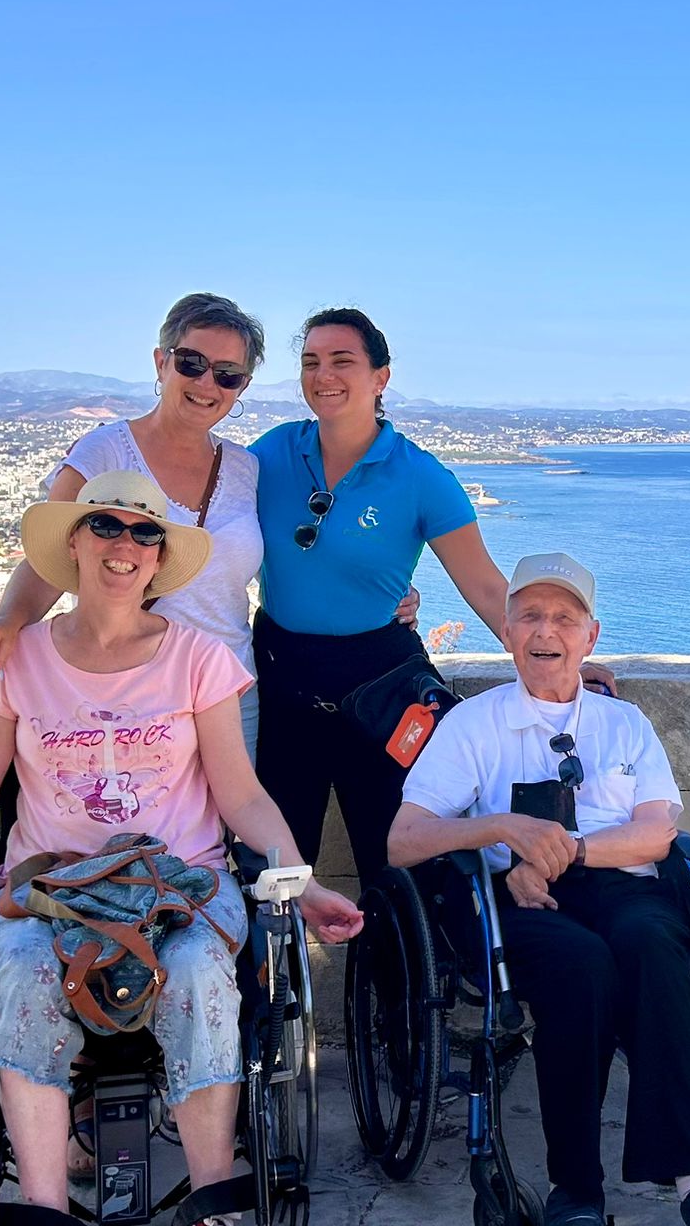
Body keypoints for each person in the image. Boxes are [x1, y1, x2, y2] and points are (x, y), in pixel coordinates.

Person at [0, 471, 363, 1226]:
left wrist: (303, 887)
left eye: (144, 534)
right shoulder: (18, 662)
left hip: (177, 886)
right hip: (52, 893)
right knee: (23, 979)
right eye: (106, 527)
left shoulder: (199, 661)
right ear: (73, 544)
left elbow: (241, 796)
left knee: (195, 973)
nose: (125, 547)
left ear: (159, 558)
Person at [385, 551, 690, 1226]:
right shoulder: (473, 725)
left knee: (654, 948)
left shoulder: (624, 725)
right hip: (514, 897)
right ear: (507, 631)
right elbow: (405, 840)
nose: (546, 631)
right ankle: (577, 1190)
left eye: (564, 618)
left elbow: (656, 833)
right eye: (530, 616)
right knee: (578, 966)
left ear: (590, 637)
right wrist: (504, 831)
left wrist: (566, 850)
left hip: (615, 881)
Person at [0, 291, 418, 758]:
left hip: (229, 693)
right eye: (192, 363)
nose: (207, 383)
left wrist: (380, 592)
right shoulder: (104, 454)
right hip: (125, 693)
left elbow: (293, 548)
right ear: (161, 362)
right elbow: (50, 555)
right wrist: (7, 621)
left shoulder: (246, 467)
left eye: (227, 374)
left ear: (242, 386)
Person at [251, 306, 614, 892]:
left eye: (342, 360)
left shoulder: (420, 476)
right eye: (311, 362)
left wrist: (552, 657)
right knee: (274, 870)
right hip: (280, 679)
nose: (324, 375)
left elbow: (486, 586)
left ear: (381, 377)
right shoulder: (270, 453)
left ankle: (395, 959)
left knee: (396, 872)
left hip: (379, 689)